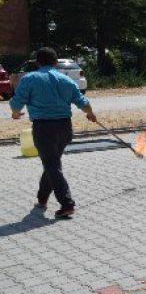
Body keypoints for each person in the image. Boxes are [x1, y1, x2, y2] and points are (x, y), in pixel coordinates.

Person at [10, 47, 97, 219]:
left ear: (37, 62)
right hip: (65, 128)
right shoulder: (66, 80)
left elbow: (17, 101)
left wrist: (15, 113)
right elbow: (83, 101)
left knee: (52, 165)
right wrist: (90, 114)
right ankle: (42, 199)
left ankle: (67, 204)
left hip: (44, 128)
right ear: (56, 62)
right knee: (52, 164)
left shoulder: (30, 79)